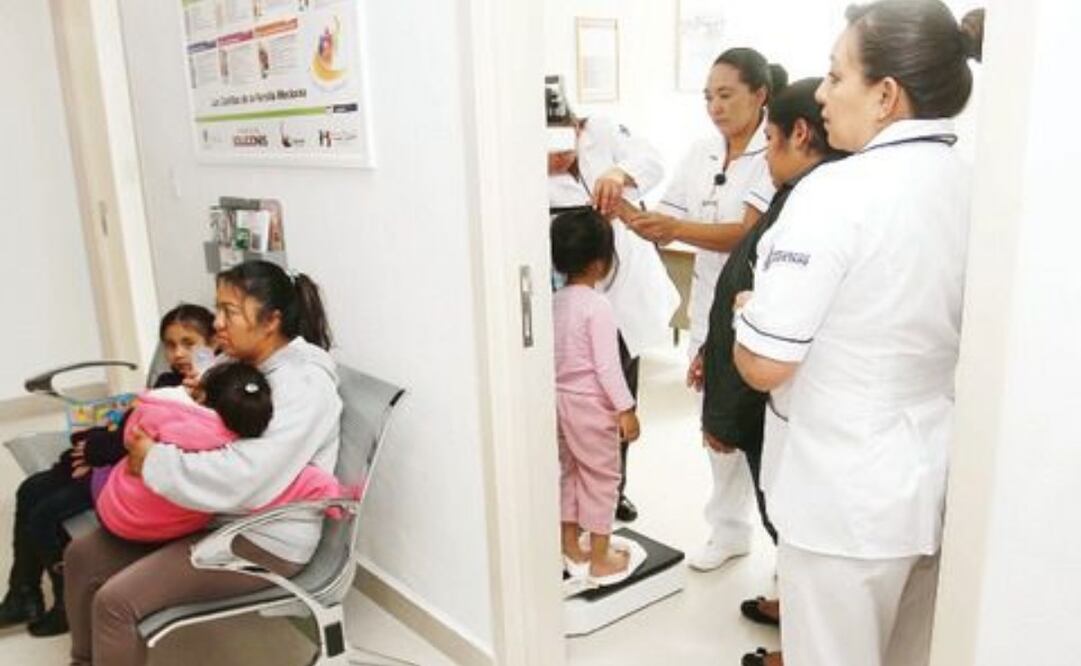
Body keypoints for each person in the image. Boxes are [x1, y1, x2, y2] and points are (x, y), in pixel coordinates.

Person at [732, 3, 982, 665]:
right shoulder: (971, 186)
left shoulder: (836, 194)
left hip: (842, 496)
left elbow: (762, 363)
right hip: (929, 482)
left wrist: (744, 308)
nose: (819, 94)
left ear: (884, 95)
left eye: (834, 76)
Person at [64, 260, 341, 666]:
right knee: (82, 556)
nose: (218, 323)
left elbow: (246, 475)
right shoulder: (246, 365)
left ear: (271, 321)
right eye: (218, 309)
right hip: (212, 514)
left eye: (229, 311)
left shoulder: (304, 385)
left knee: (116, 603)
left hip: (263, 537)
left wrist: (155, 461)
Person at [693, 78, 849, 666]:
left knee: (791, 521)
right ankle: (794, 611)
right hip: (781, 397)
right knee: (793, 525)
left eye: (772, 139)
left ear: (799, 134)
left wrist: (724, 418)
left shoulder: (810, 207)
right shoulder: (805, 196)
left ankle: (800, 644)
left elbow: (760, 326)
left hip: (781, 398)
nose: (768, 154)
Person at [626, 48, 784, 571]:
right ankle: (729, 529)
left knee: (765, 434)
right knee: (714, 426)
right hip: (709, 308)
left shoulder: (776, 151)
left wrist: (675, 230)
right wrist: (623, 202)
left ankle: (783, 548)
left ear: (759, 95)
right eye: (708, 97)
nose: (715, 107)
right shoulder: (700, 151)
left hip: (759, 309)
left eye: (726, 94)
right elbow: (665, 217)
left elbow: (746, 232)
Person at [0, 303, 214, 638]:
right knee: (30, 489)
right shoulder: (169, 381)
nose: (178, 353)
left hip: (127, 480)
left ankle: (65, 602)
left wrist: (97, 449)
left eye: (189, 343)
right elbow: (129, 425)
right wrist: (96, 442)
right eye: (171, 345)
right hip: (114, 462)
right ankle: (22, 592)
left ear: (213, 344)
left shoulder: (207, 391)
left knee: (45, 514)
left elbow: (144, 437)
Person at [546, 75, 677, 523]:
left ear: (577, 126)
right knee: (568, 405)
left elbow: (653, 160)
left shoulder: (603, 131)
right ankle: (568, 496)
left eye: (565, 141)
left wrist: (620, 174)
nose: (558, 156)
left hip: (620, 299)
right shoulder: (521, 171)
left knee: (617, 389)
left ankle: (613, 490)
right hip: (564, 301)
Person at [95, 361, 347, 543]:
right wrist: (327, 490)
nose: (219, 323)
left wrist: (182, 398)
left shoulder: (163, 408)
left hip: (118, 510)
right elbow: (296, 482)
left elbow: (132, 430)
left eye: (229, 310)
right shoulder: (236, 435)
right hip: (173, 525)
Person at [551, 209, 644, 587]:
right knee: (603, 478)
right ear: (601, 263)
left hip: (559, 403)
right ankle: (601, 559)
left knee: (571, 471)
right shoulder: (598, 306)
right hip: (592, 407)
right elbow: (608, 368)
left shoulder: (553, 302)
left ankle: (571, 544)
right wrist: (626, 408)